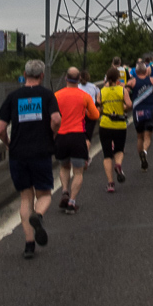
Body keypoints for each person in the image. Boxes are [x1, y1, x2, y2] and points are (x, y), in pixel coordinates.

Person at [0, 59, 61, 259]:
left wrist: (8, 143)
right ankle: (38, 216)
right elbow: (57, 119)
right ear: (42, 76)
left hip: (18, 154)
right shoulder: (47, 95)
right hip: (40, 152)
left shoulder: (13, 97)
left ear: (24, 74)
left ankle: (29, 245)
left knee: (26, 197)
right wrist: (53, 133)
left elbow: (0, 129)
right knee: (44, 195)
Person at [54, 68, 100, 214]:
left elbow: (52, 116)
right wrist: (84, 112)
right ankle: (72, 202)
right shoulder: (84, 96)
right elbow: (95, 115)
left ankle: (65, 191)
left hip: (61, 135)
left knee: (64, 166)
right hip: (78, 135)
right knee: (78, 172)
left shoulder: (57, 95)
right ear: (79, 79)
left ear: (66, 79)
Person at [98, 66, 132, 192]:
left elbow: (98, 106)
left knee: (107, 155)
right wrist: (122, 107)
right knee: (119, 149)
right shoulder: (122, 90)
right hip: (120, 124)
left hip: (105, 124)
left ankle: (110, 183)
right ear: (118, 78)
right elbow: (129, 105)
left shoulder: (102, 92)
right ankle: (118, 165)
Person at [126, 56, 153, 170]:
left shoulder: (132, 81)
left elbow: (125, 92)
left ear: (136, 71)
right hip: (149, 109)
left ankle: (142, 160)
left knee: (139, 137)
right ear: (145, 71)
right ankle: (144, 152)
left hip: (137, 111)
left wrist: (129, 103)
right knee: (147, 136)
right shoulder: (151, 80)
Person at [76, 69, 102, 166]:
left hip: (80, 113)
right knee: (88, 136)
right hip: (91, 112)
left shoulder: (77, 87)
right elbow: (99, 97)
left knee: (81, 135)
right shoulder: (94, 87)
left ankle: (79, 154)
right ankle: (85, 156)